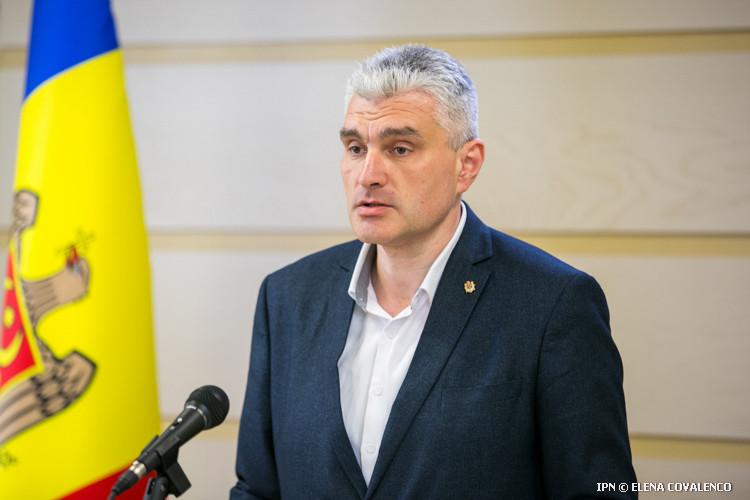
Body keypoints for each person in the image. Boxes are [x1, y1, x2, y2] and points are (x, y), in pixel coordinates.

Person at [230, 44, 637, 499]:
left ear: (467, 165)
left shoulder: (553, 304)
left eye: (400, 148)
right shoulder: (287, 297)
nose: (368, 174)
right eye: (355, 148)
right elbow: (257, 490)